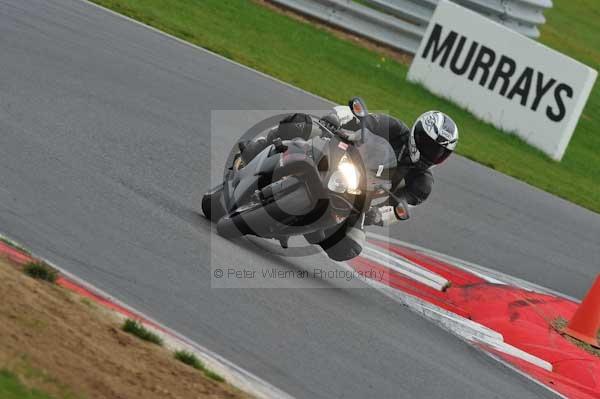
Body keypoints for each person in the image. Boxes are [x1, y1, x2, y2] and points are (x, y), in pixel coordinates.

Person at [238, 106, 459, 261]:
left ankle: (309, 228)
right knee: (300, 124)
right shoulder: (393, 128)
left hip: (357, 199)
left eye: (440, 153)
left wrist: (378, 215)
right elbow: (360, 120)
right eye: (430, 147)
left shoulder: (422, 183)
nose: (433, 155)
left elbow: (400, 208)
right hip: (339, 159)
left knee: (348, 248)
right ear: (417, 134)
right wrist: (335, 120)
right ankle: (257, 149)